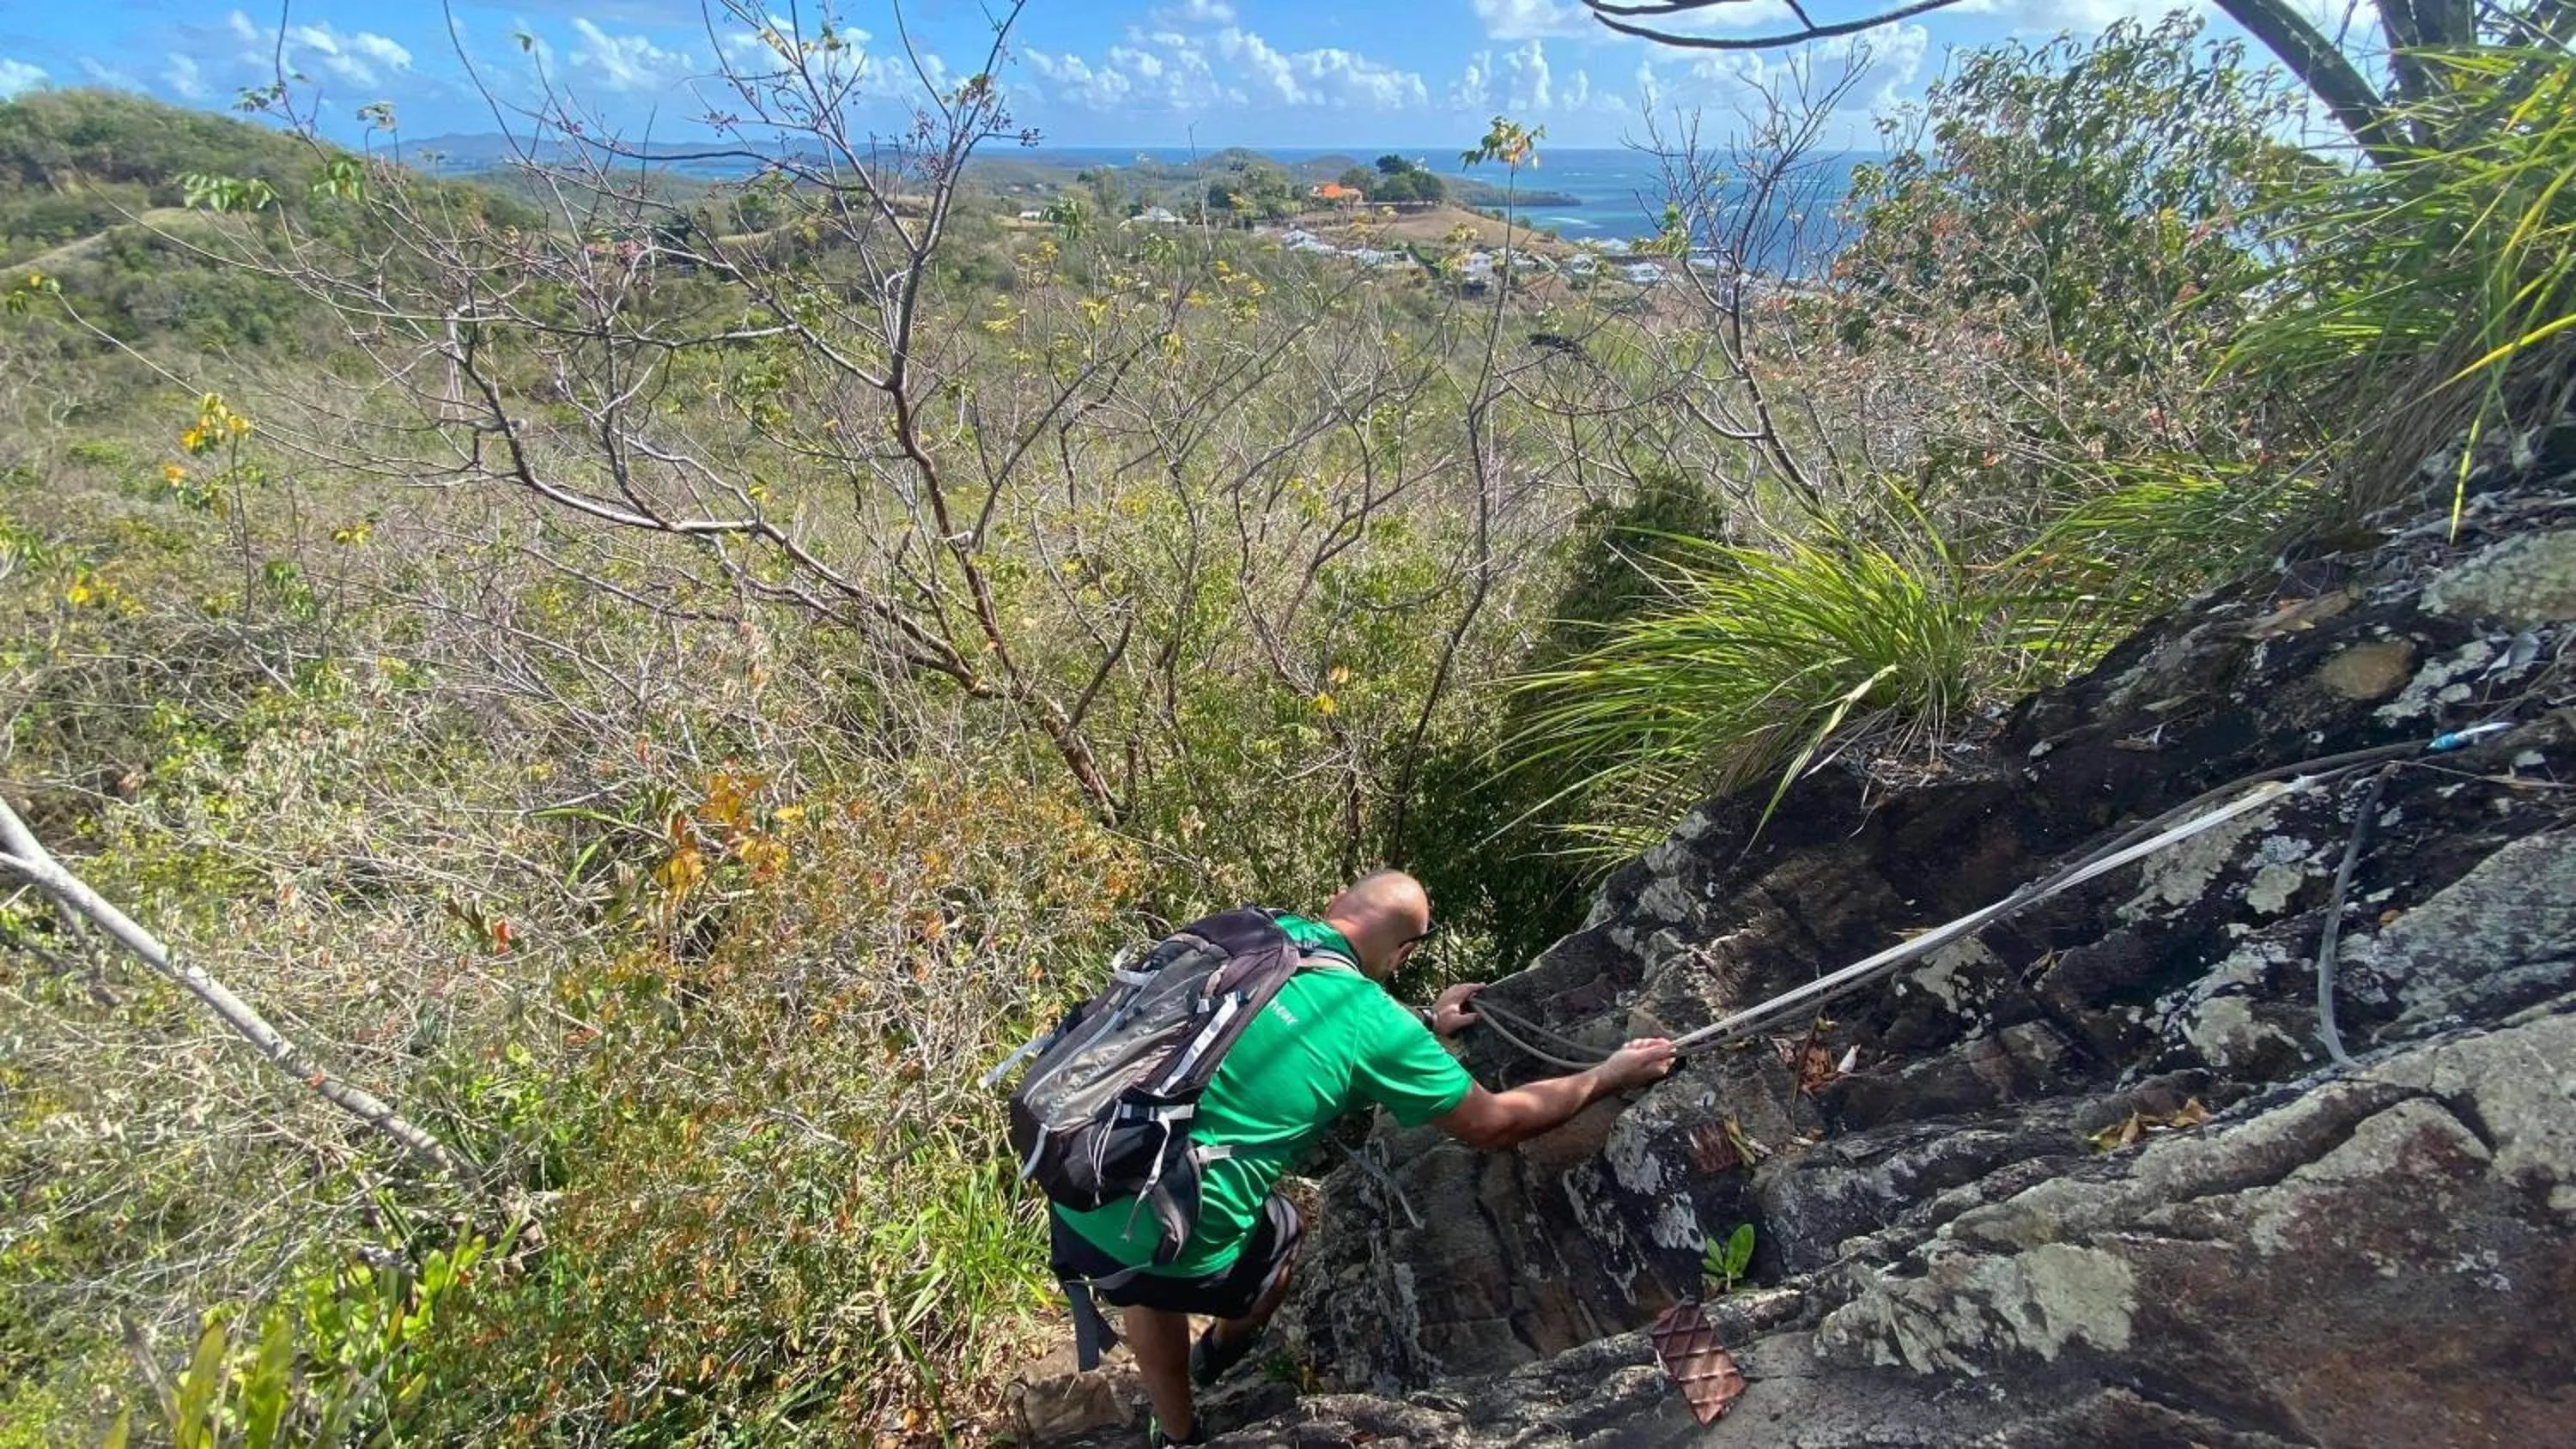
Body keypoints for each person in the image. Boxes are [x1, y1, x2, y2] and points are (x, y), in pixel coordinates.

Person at [1048, 870, 1678, 1447]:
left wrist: (1428, 1021)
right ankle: (1219, 1348)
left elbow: (1271, 1008)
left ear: (1333, 905)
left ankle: (1176, 1432)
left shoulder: (1251, 927)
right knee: (1281, 1236)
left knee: (1144, 1272)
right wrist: (1608, 1074)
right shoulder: (1375, 1025)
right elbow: (1495, 1124)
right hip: (1166, 1226)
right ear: (1403, 954)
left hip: (1082, 1166)